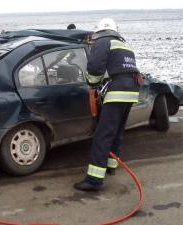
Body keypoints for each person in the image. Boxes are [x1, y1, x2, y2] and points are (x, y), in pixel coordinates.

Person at [74, 18, 140, 191]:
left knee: (102, 135)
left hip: (117, 92)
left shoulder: (103, 42)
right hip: (131, 92)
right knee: (116, 131)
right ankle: (111, 165)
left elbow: (95, 67)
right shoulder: (124, 44)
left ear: (100, 31)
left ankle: (94, 180)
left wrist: (91, 82)